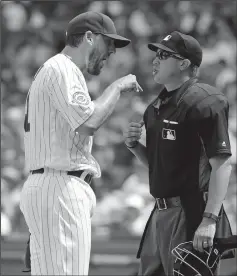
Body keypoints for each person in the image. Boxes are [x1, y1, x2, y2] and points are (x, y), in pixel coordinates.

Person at [20, 11, 142, 276]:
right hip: (60, 187)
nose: (112, 51)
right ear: (88, 37)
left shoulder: (54, 68)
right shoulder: (63, 68)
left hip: (50, 186)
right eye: (108, 42)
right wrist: (117, 87)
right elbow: (88, 122)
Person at [123, 31, 233, 276]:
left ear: (184, 63)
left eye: (163, 55)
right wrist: (134, 147)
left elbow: (222, 165)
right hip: (159, 214)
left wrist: (209, 220)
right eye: (155, 55)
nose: (155, 60)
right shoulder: (154, 108)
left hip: (192, 212)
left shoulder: (206, 101)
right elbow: (158, 165)